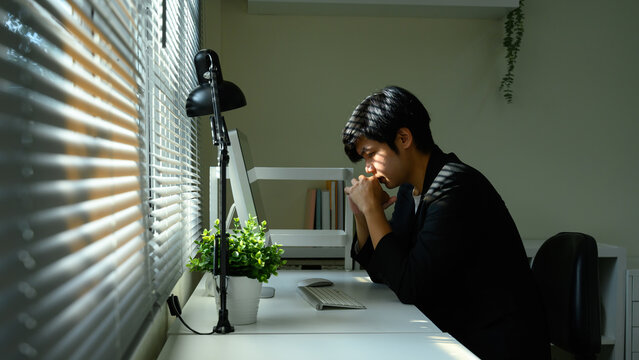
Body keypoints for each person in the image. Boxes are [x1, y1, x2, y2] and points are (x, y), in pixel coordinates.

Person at [342, 86, 549, 359]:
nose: (367, 168)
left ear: (403, 138)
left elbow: (409, 286)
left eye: (370, 154)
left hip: (494, 344)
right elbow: (386, 271)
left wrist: (374, 212)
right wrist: (362, 213)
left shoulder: (454, 186)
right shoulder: (409, 189)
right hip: (456, 332)